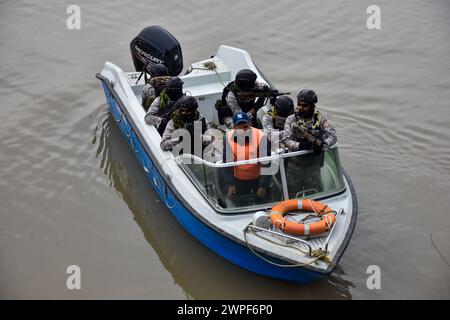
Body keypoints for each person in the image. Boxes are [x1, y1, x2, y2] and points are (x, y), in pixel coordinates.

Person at [283, 89, 337, 196]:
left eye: (305, 106)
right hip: (294, 166)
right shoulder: (291, 119)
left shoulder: (321, 119)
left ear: (312, 106)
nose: (301, 108)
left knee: (314, 195)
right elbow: (286, 139)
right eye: (299, 105)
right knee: (291, 195)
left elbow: (333, 136)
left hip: (313, 166)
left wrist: (321, 144)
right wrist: (300, 146)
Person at [222, 112, 271, 202]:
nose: (243, 131)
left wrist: (263, 186)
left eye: (245, 127)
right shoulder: (227, 138)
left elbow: (267, 164)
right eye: (239, 128)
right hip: (239, 180)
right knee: (240, 203)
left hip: (258, 178)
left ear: (249, 124)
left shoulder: (261, 137)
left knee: (263, 202)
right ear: (234, 128)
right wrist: (230, 184)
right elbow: (227, 165)